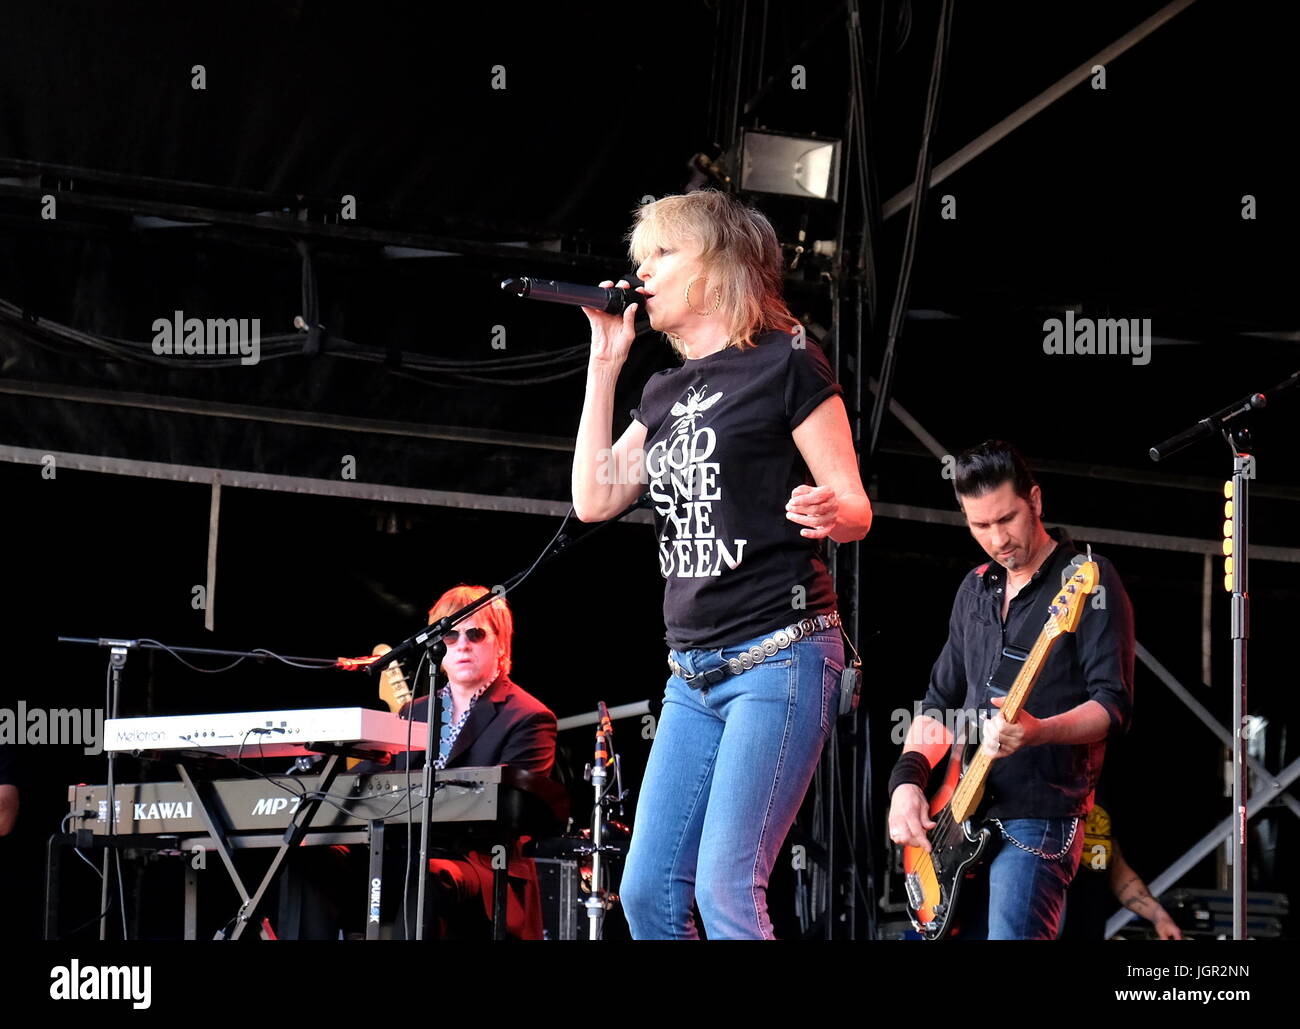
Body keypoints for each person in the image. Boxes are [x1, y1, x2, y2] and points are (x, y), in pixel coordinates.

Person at [572, 190, 871, 939]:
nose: (643, 272)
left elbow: (856, 505)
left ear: (718, 264)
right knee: (644, 892)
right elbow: (595, 499)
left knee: (726, 887)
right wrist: (606, 363)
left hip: (780, 652)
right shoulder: (664, 388)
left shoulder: (787, 362)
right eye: (641, 259)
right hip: (692, 673)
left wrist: (831, 511)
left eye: (662, 255)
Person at [887, 440, 1134, 939]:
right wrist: (907, 782)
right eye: (980, 526)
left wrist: (1040, 731)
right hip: (961, 811)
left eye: (1008, 519)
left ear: (1036, 501)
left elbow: (1113, 704)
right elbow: (938, 702)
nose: (997, 539)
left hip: (1041, 811)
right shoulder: (974, 588)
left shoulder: (1087, 579)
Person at [332, 585, 557, 940]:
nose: (462, 644)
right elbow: (372, 779)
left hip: (482, 865)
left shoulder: (529, 717)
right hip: (408, 853)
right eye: (449, 635)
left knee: (427, 875)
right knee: (319, 858)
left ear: (500, 642)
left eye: (476, 633)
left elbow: (509, 813)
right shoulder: (414, 711)